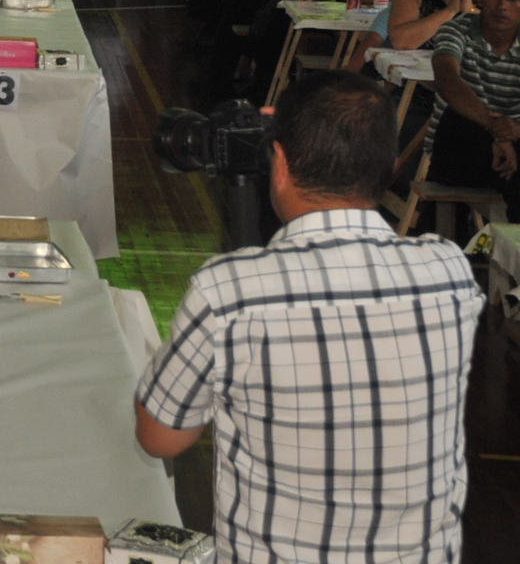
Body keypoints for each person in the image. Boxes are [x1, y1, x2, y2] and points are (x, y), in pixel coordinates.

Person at [135, 71, 480, 564]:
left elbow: (160, 437)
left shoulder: (230, 292)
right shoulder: (449, 271)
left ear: (278, 163)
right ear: (388, 167)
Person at [423, 0, 520, 219]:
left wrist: (512, 133)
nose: (502, 6)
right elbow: (447, 79)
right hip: (459, 150)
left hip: (512, 151)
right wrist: (493, 127)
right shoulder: (456, 30)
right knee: (458, 115)